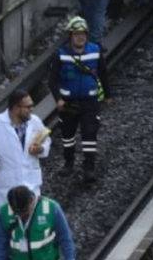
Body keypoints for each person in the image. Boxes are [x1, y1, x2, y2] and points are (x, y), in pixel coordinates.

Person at [0, 89, 52, 214]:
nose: (31, 109)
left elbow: (46, 139)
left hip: (31, 190)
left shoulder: (34, 121)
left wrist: (41, 149)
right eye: (28, 107)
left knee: (31, 232)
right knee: (6, 231)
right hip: (4, 193)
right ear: (16, 108)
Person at [48, 16, 111, 183]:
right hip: (68, 103)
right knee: (68, 136)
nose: (80, 37)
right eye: (76, 34)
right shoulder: (61, 55)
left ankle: (89, 168)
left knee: (89, 134)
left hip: (90, 102)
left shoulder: (95, 51)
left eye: (83, 34)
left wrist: (108, 95)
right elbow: (52, 80)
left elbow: (104, 74)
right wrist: (58, 99)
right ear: (70, 35)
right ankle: (69, 163)